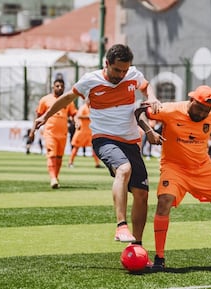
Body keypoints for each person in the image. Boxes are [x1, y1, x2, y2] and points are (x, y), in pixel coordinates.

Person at [31, 44, 161, 246]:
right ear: (106, 63)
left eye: (125, 70)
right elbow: (67, 98)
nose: (121, 74)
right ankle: (121, 226)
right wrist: (45, 117)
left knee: (142, 194)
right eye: (117, 70)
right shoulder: (91, 80)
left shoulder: (132, 75)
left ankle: (137, 247)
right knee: (124, 169)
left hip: (131, 141)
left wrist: (151, 97)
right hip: (104, 139)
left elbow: (145, 86)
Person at [135, 85, 211, 271]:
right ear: (192, 100)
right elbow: (139, 112)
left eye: (207, 110)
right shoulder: (170, 110)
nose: (203, 113)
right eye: (200, 108)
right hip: (174, 168)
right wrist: (149, 131)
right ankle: (159, 258)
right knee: (164, 202)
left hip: (202, 168)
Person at [29, 78, 77, 189]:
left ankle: (55, 177)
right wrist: (32, 131)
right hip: (50, 133)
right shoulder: (45, 100)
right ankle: (53, 178)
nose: (59, 88)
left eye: (62, 86)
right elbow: (38, 117)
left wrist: (77, 121)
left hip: (63, 134)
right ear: (53, 87)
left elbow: (73, 114)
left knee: (59, 157)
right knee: (52, 155)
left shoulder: (67, 100)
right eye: (57, 86)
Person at [68, 102, 102, 168]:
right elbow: (78, 116)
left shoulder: (92, 108)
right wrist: (88, 117)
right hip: (81, 131)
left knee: (94, 148)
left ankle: (97, 164)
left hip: (89, 131)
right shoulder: (83, 107)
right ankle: (70, 162)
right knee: (76, 147)